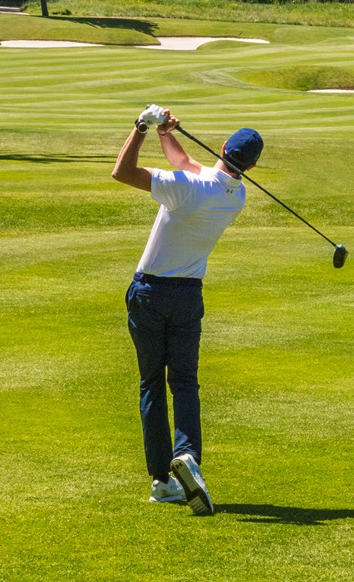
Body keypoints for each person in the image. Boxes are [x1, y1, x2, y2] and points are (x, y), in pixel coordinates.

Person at [110, 104, 263, 515]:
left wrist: (141, 128)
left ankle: (161, 481)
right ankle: (188, 456)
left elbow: (122, 173)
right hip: (188, 297)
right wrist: (166, 134)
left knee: (151, 384)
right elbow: (188, 163)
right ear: (248, 164)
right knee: (185, 382)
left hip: (149, 294)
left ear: (224, 147)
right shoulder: (236, 195)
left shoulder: (187, 188)